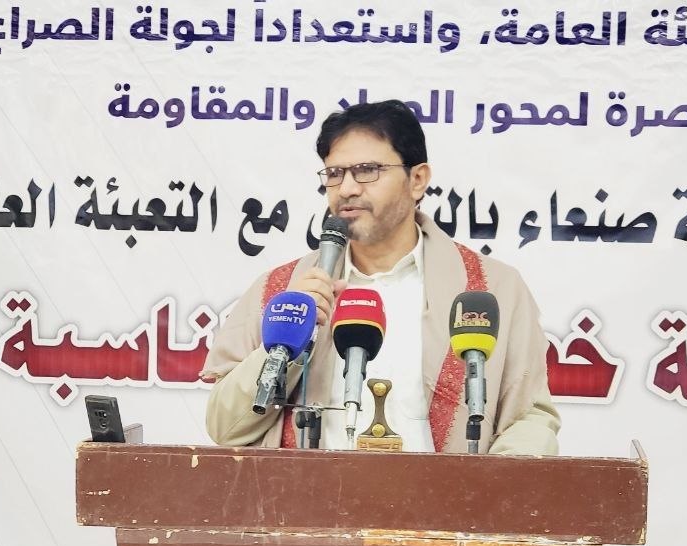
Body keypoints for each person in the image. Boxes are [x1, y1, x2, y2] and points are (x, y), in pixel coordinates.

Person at [200, 100, 560, 455]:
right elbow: (224, 429)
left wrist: (486, 488)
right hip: (312, 495)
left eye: (367, 170)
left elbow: (529, 418)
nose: (347, 188)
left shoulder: (490, 289)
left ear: (417, 180)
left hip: (445, 494)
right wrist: (289, 339)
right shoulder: (282, 292)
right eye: (334, 173)